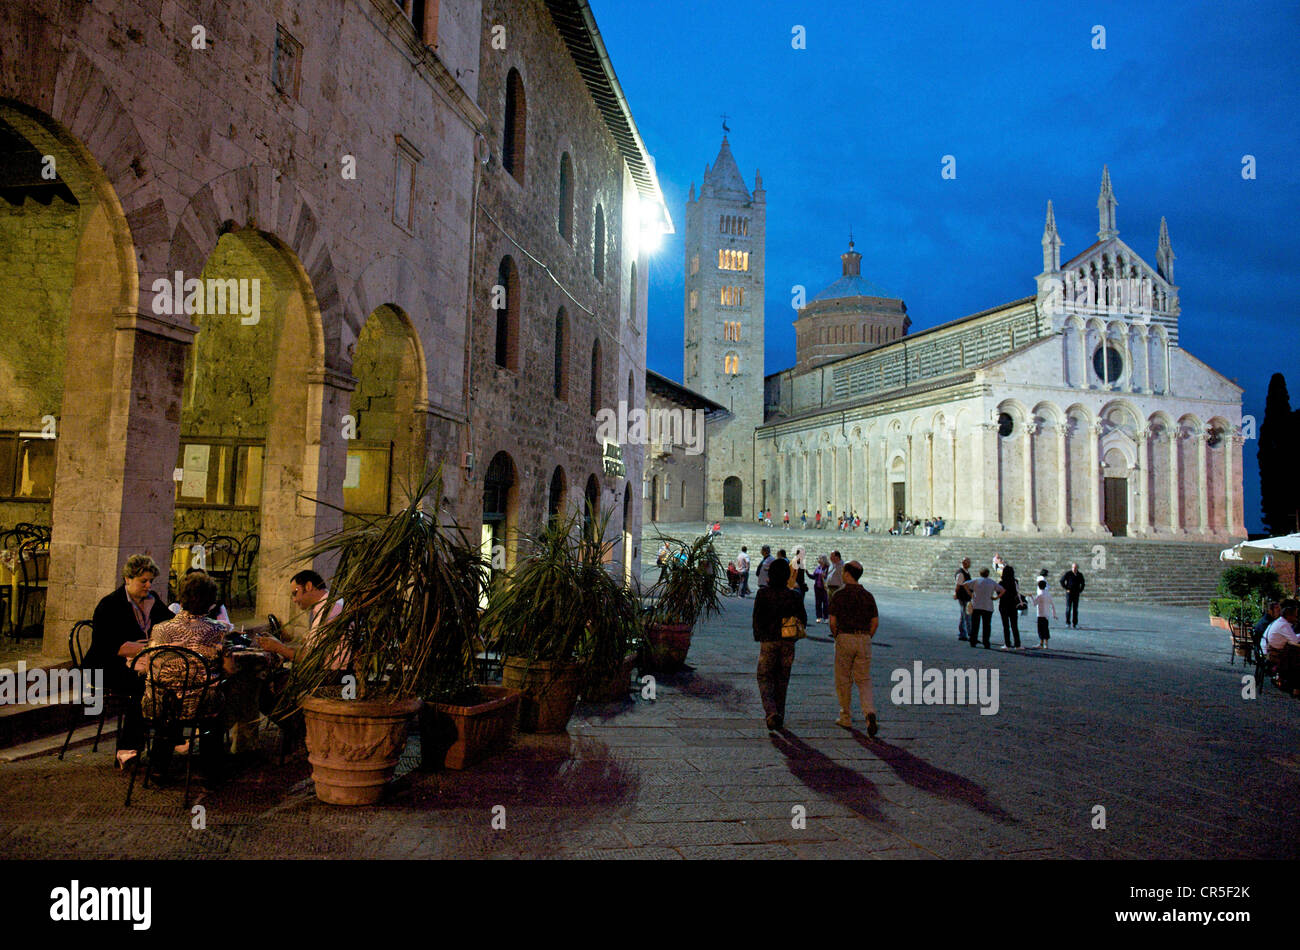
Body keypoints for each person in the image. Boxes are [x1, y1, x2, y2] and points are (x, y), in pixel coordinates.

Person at [132, 570, 228, 776]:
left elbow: (151, 663)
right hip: (199, 705)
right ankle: (211, 771)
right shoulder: (218, 630)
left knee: (170, 699)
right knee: (217, 703)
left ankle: (158, 769)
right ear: (211, 601)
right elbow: (229, 668)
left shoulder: (159, 629)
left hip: (160, 702)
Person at [87, 555, 174, 769]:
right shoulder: (110, 605)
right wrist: (149, 647)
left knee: (170, 679)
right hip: (106, 665)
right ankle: (127, 749)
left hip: (141, 660)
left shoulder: (152, 600)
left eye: (150, 581)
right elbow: (110, 646)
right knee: (142, 686)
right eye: (143, 581)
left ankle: (169, 740)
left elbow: (171, 623)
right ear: (127, 579)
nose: (148, 585)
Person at [752, 558, 805, 731]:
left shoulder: (763, 594)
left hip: (769, 639)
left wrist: (759, 634)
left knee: (764, 676)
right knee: (782, 679)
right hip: (788, 640)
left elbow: (757, 617)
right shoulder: (794, 595)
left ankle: (771, 711)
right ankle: (779, 714)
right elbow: (802, 619)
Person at [255, 570, 346, 669]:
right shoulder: (330, 603)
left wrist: (278, 648)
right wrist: (277, 644)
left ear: (308, 586)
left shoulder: (329, 611)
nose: (294, 600)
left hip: (330, 674)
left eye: (295, 593)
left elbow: (311, 659)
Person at [829, 561, 879, 736]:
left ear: (847, 573)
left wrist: (838, 636)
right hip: (864, 638)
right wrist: (867, 636)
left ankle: (846, 715)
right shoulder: (868, 595)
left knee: (843, 679)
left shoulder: (839, 595)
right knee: (864, 680)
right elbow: (875, 622)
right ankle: (869, 712)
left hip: (845, 637)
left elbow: (832, 622)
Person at [1264, 600, 1300, 694]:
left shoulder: (1280, 622)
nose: (1296, 618)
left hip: (1271, 651)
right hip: (1273, 654)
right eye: (1295, 615)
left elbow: (1292, 638)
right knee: (1296, 659)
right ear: (1289, 616)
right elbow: (1295, 641)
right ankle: (1294, 687)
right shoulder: (1284, 625)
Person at [964, 568, 1002, 650]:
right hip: (988, 606)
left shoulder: (976, 580)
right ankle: (986, 642)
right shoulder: (991, 582)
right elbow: (1002, 590)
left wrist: (971, 594)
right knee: (987, 626)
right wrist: (996, 598)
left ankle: (973, 641)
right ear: (988, 574)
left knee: (975, 625)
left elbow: (965, 584)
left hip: (977, 605)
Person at [998, 564, 1023, 649]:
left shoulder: (1001, 583)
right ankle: (1017, 644)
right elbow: (1017, 592)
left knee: (1006, 626)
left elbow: (999, 594)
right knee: (1014, 625)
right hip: (1012, 605)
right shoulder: (1015, 582)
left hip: (1003, 605)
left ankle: (1007, 643)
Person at [1030, 578, 1057, 648]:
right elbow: (1052, 605)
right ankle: (1046, 644)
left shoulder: (1040, 595)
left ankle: (1041, 643)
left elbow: (1034, 604)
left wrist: (1031, 597)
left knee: (1040, 629)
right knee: (1046, 628)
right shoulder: (1048, 594)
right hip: (1047, 614)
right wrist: (1054, 614)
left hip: (1040, 614)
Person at [1061, 562, 1085, 628]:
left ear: (1077, 568)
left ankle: (1075, 623)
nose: (1074, 569)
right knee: (1068, 608)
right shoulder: (1068, 574)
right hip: (1069, 593)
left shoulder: (1080, 575)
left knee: (1075, 609)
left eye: (1075, 568)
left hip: (1076, 594)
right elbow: (1062, 581)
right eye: (1073, 567)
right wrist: (1066, 588)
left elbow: (1083, 583)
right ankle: (1067, 623)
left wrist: (1080, 590)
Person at [954, 557, 972, 642]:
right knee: (965, 615)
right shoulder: (961, 573)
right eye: (968, 562)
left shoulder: (965, 572)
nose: (970, 564)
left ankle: (968, 633)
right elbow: (958, 586)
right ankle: (963, 633)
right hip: (963, 596)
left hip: (966, 596)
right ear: (965, 563)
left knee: (966, 615)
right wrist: (956, 594)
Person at [812, 554, 830, 623]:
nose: (818, 560)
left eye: (819, 558)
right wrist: (807, 573)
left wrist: (825, 576)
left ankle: (826, 617)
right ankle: (818, 617)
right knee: (818, 603)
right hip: (817, 587)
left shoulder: (827, 568)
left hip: (824, 587)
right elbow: (814, 576)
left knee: (825, 603)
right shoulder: (818, 568)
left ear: (823, 560)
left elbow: (829, 577)